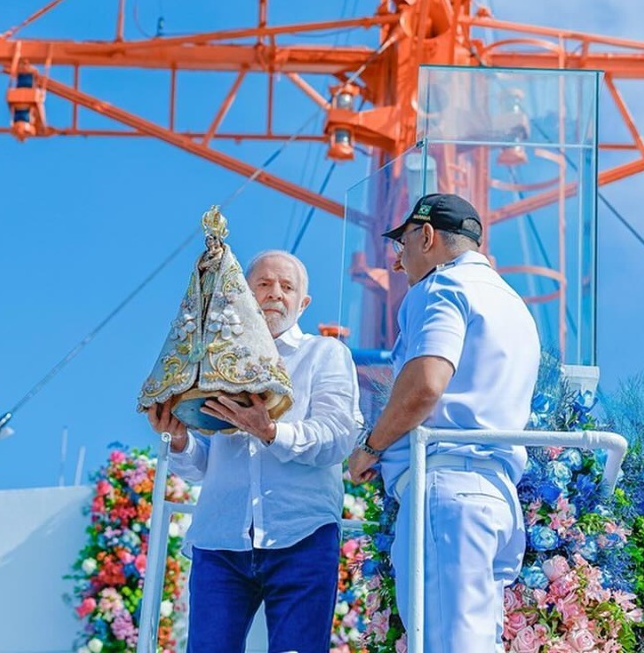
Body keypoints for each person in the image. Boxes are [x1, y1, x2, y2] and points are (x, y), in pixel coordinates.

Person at [347, 193, 541, 651]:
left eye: (402, 246)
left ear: (428, 235)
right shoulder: (514, 305)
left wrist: (371, 447)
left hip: (448, 488)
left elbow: (425, 384)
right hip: (497, 497)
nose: (398, 262)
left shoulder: (441, 288)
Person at [146, 250, 361, 653]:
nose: (275, 294)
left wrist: (270, 431)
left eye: (287, 286)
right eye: (263, 284)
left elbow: (338, 437)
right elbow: (202, 466)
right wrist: (178, 440)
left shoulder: (326, 354)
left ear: (304, 303)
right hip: (221, 539)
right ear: (243, 293)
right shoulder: (211, 363)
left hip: (303, 535)